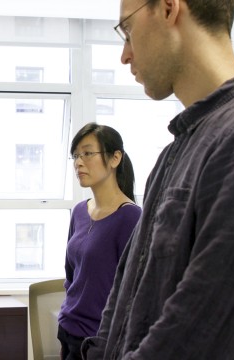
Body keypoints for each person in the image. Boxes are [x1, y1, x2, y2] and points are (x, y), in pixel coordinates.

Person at [82, 0, 234, 359]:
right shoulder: (175, 153)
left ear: (169, 8)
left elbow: (201, 337)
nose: (125, 55)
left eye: (127, 30)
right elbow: (125, 296)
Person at [58, 123, 141, 360]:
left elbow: (134, 290)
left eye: (87, 153)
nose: (78, 162)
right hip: (68, 328)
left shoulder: (131, 217)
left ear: (115, 158)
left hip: (101, 340)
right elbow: (71, 275)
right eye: (75, 156)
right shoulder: (79, 211)